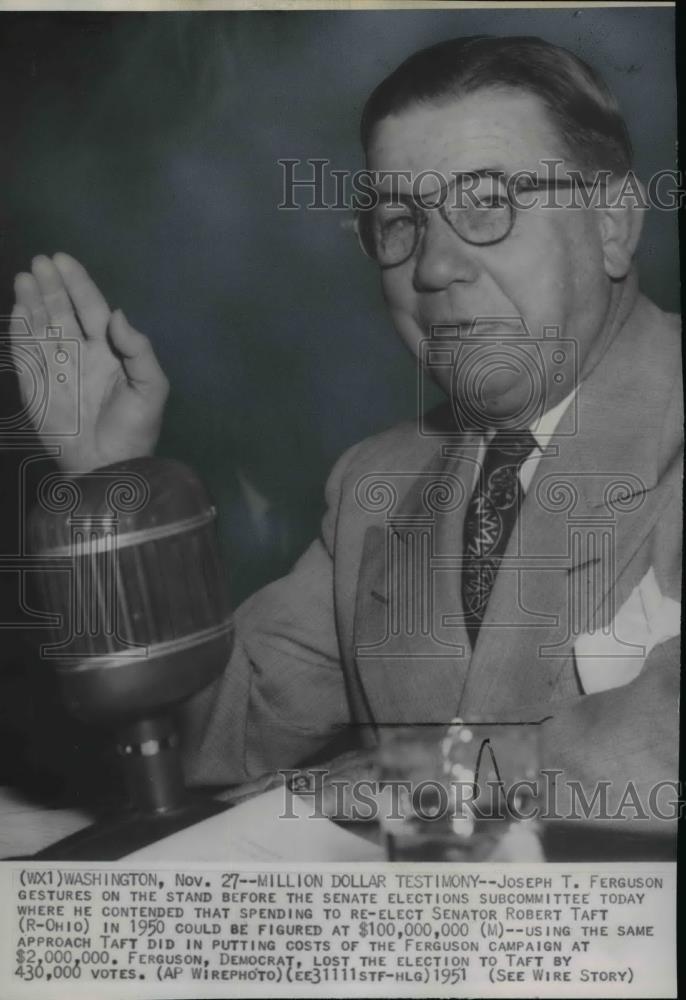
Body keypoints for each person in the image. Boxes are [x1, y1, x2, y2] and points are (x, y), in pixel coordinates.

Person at [12, 36, 681, 835]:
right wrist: (111, 483)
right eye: (400, 220)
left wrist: (383, 783)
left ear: (612, 223)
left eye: (487, 203)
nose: (433, 267)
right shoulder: (380, 483)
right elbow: (208, 742)